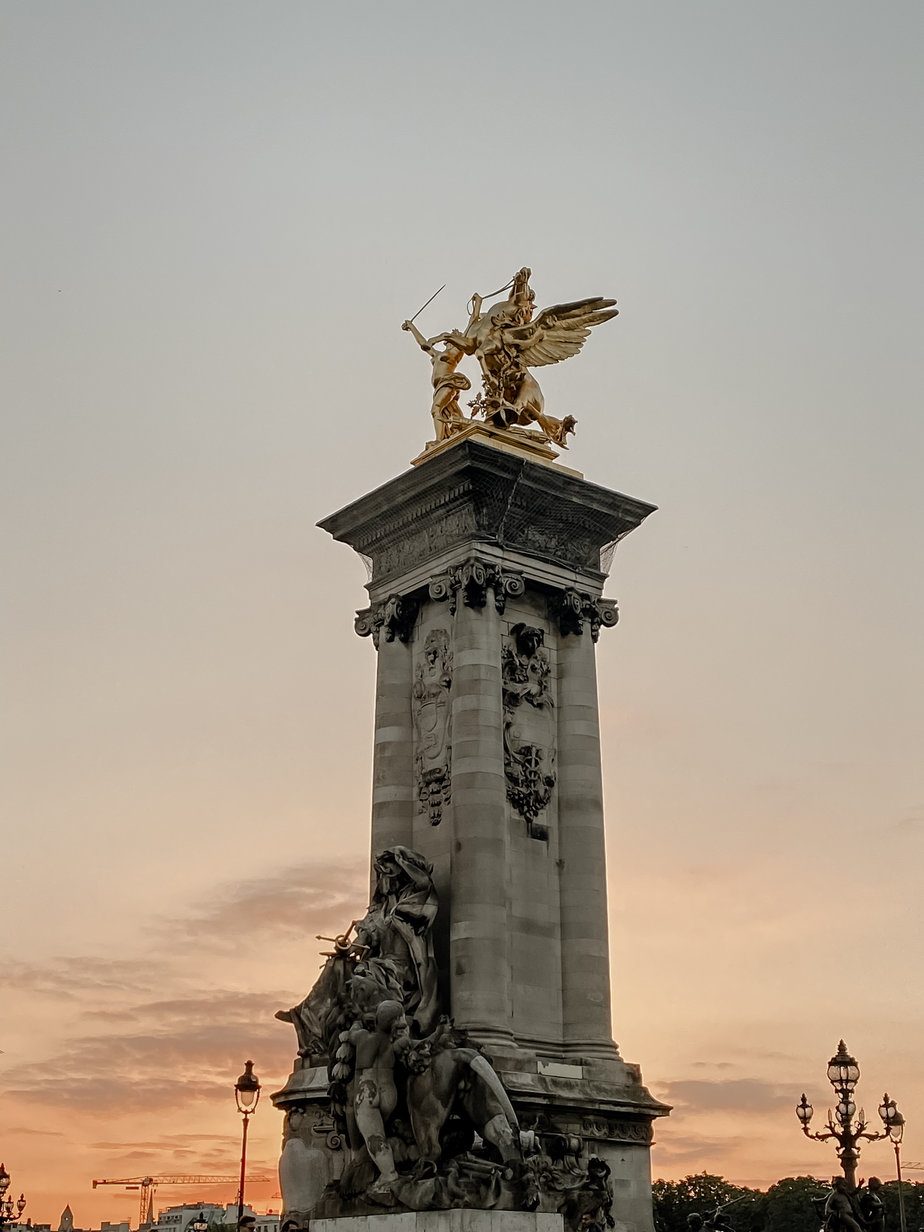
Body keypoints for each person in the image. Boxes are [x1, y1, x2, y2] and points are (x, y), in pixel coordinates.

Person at [402, 319, 474, 441]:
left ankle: (439, 440)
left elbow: (470, 325)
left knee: (436, 409)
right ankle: (456, 431)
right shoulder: (437, 354)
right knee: (449, 413)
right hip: (440, 386)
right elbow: (423, 344)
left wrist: (477, 305)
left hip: (448, 382)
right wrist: (411, 327)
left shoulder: (457, 351)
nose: (447, 342)